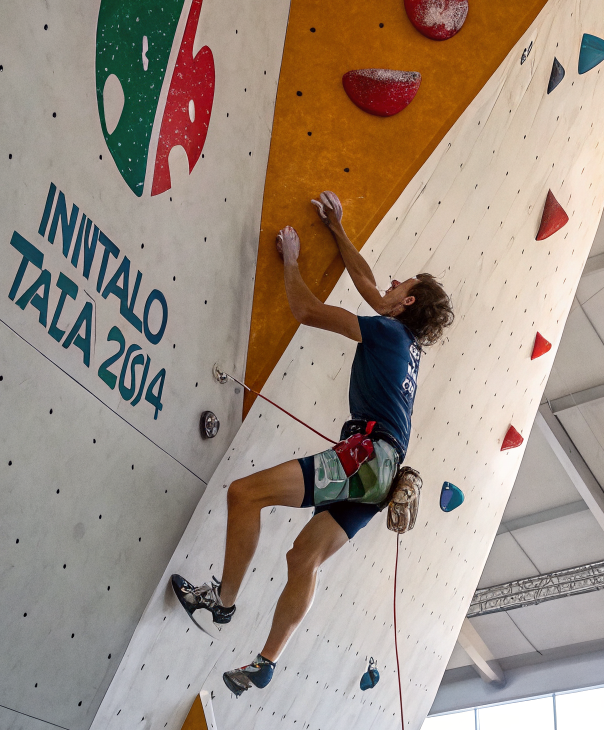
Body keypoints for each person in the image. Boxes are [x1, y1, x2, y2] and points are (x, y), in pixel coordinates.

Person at [170, 190, 454, 696]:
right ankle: (266, 662)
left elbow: (305, 309)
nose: (389, 280)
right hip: (382, 475)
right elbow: (367, 283)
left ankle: (222, 602)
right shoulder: (405, 343)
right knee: (304, 558)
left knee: (245, 494)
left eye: (401, 282)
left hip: (362, 458)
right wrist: (338, 230)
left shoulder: (387, 334)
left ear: (406, 302)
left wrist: (293, 261)